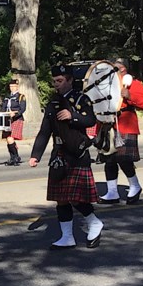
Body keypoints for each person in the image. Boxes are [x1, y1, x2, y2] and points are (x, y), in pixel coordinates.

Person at [28, 64, 105, 249]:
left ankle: (94, 222)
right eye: (54, 81)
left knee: (76, 197)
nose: (56, 85)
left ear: (70, 80)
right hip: (59, 154)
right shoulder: (53, 103)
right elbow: (44, 131)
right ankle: (67, 237)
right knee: (61, 198)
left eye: (60, 81)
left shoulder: (81, 99)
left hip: (77, 153)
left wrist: (73, 116)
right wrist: (35, 155)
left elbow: (91, 120)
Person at [97, 57, 143, 204]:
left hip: (126, 125)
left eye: (116, 68)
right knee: (109, 160)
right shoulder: (105, 84)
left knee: (124, 159)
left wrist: (130, 96)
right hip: (107, 126)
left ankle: (135, 185)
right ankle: (112, 192)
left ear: (124, 70)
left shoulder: (134, 84)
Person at [0, 79, 27, 165]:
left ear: (17, 87)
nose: (12, 88)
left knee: (10, 138)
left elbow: (22, 109)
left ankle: (15, 156)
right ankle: (13, 157)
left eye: (14, 86)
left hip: (17, 119)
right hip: (7, 119)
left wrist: (14, 115)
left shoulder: (21, 96)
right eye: (10, 86)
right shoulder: (7, 97)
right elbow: (3, 108)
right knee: (8, 139)